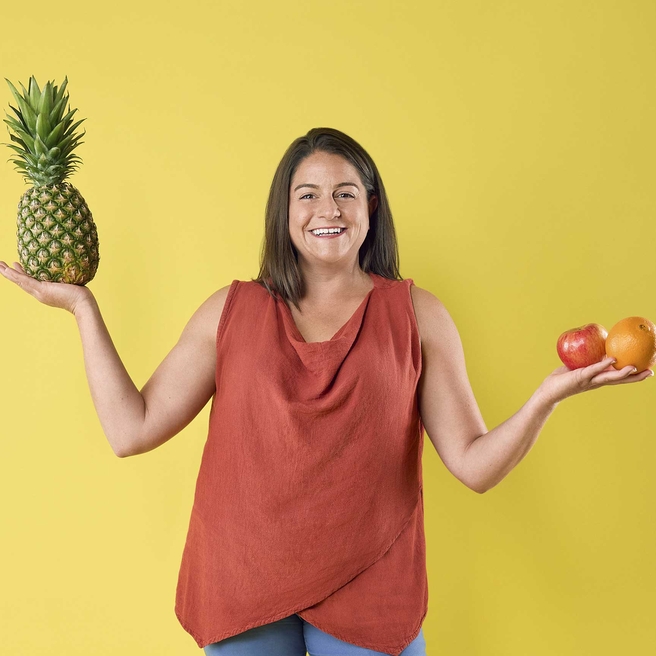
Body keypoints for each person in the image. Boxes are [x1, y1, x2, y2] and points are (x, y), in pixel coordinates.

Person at [0, 127, 651, 656]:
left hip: (375, 587)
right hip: (243, 582)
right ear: (283, 213)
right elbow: (130, 429)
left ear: (371, 207)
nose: (328, 210)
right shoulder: (229, 311)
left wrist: (548, 394)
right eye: (307, 194)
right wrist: (83, 309)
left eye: (346, 193)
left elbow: (474, 467)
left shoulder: (419, 315)